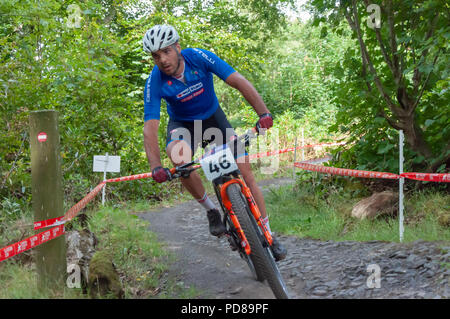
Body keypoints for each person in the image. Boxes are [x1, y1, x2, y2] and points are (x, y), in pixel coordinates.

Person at [142, 24, 287, 261]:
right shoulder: (155, 81)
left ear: (178, 47)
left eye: (166, 51)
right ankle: (211, 210)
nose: (162, 59)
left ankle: (269, 235)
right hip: (183, 126)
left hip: (213, 120)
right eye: (156, 56)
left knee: (246, 173)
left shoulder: (198, 57)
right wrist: (156, 166)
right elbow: (150, 125)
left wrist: (264, 114)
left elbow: (237, 80)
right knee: (180, 160)